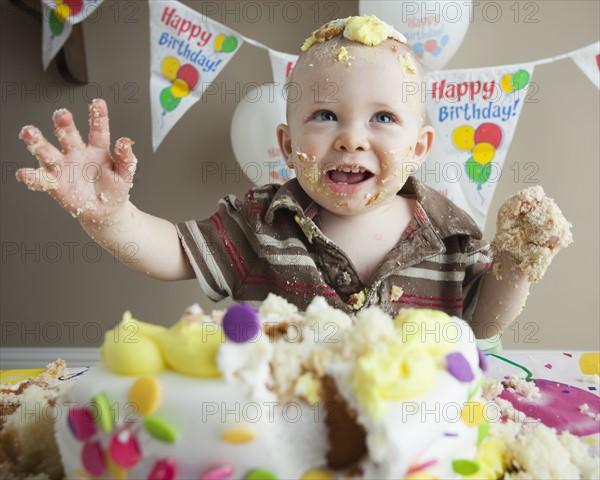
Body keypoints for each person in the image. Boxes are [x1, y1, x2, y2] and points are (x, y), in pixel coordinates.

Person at [15, 16, 570, 339]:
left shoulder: (449, 233)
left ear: (419, 148)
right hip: (277, 431)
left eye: (383, 118)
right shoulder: (262, 222)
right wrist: (112, 216)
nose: (351, 138)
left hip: (412, 441)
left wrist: (516, 266)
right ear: (286, 144)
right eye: (325, 115)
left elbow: (483, 322)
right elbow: (172, 253)